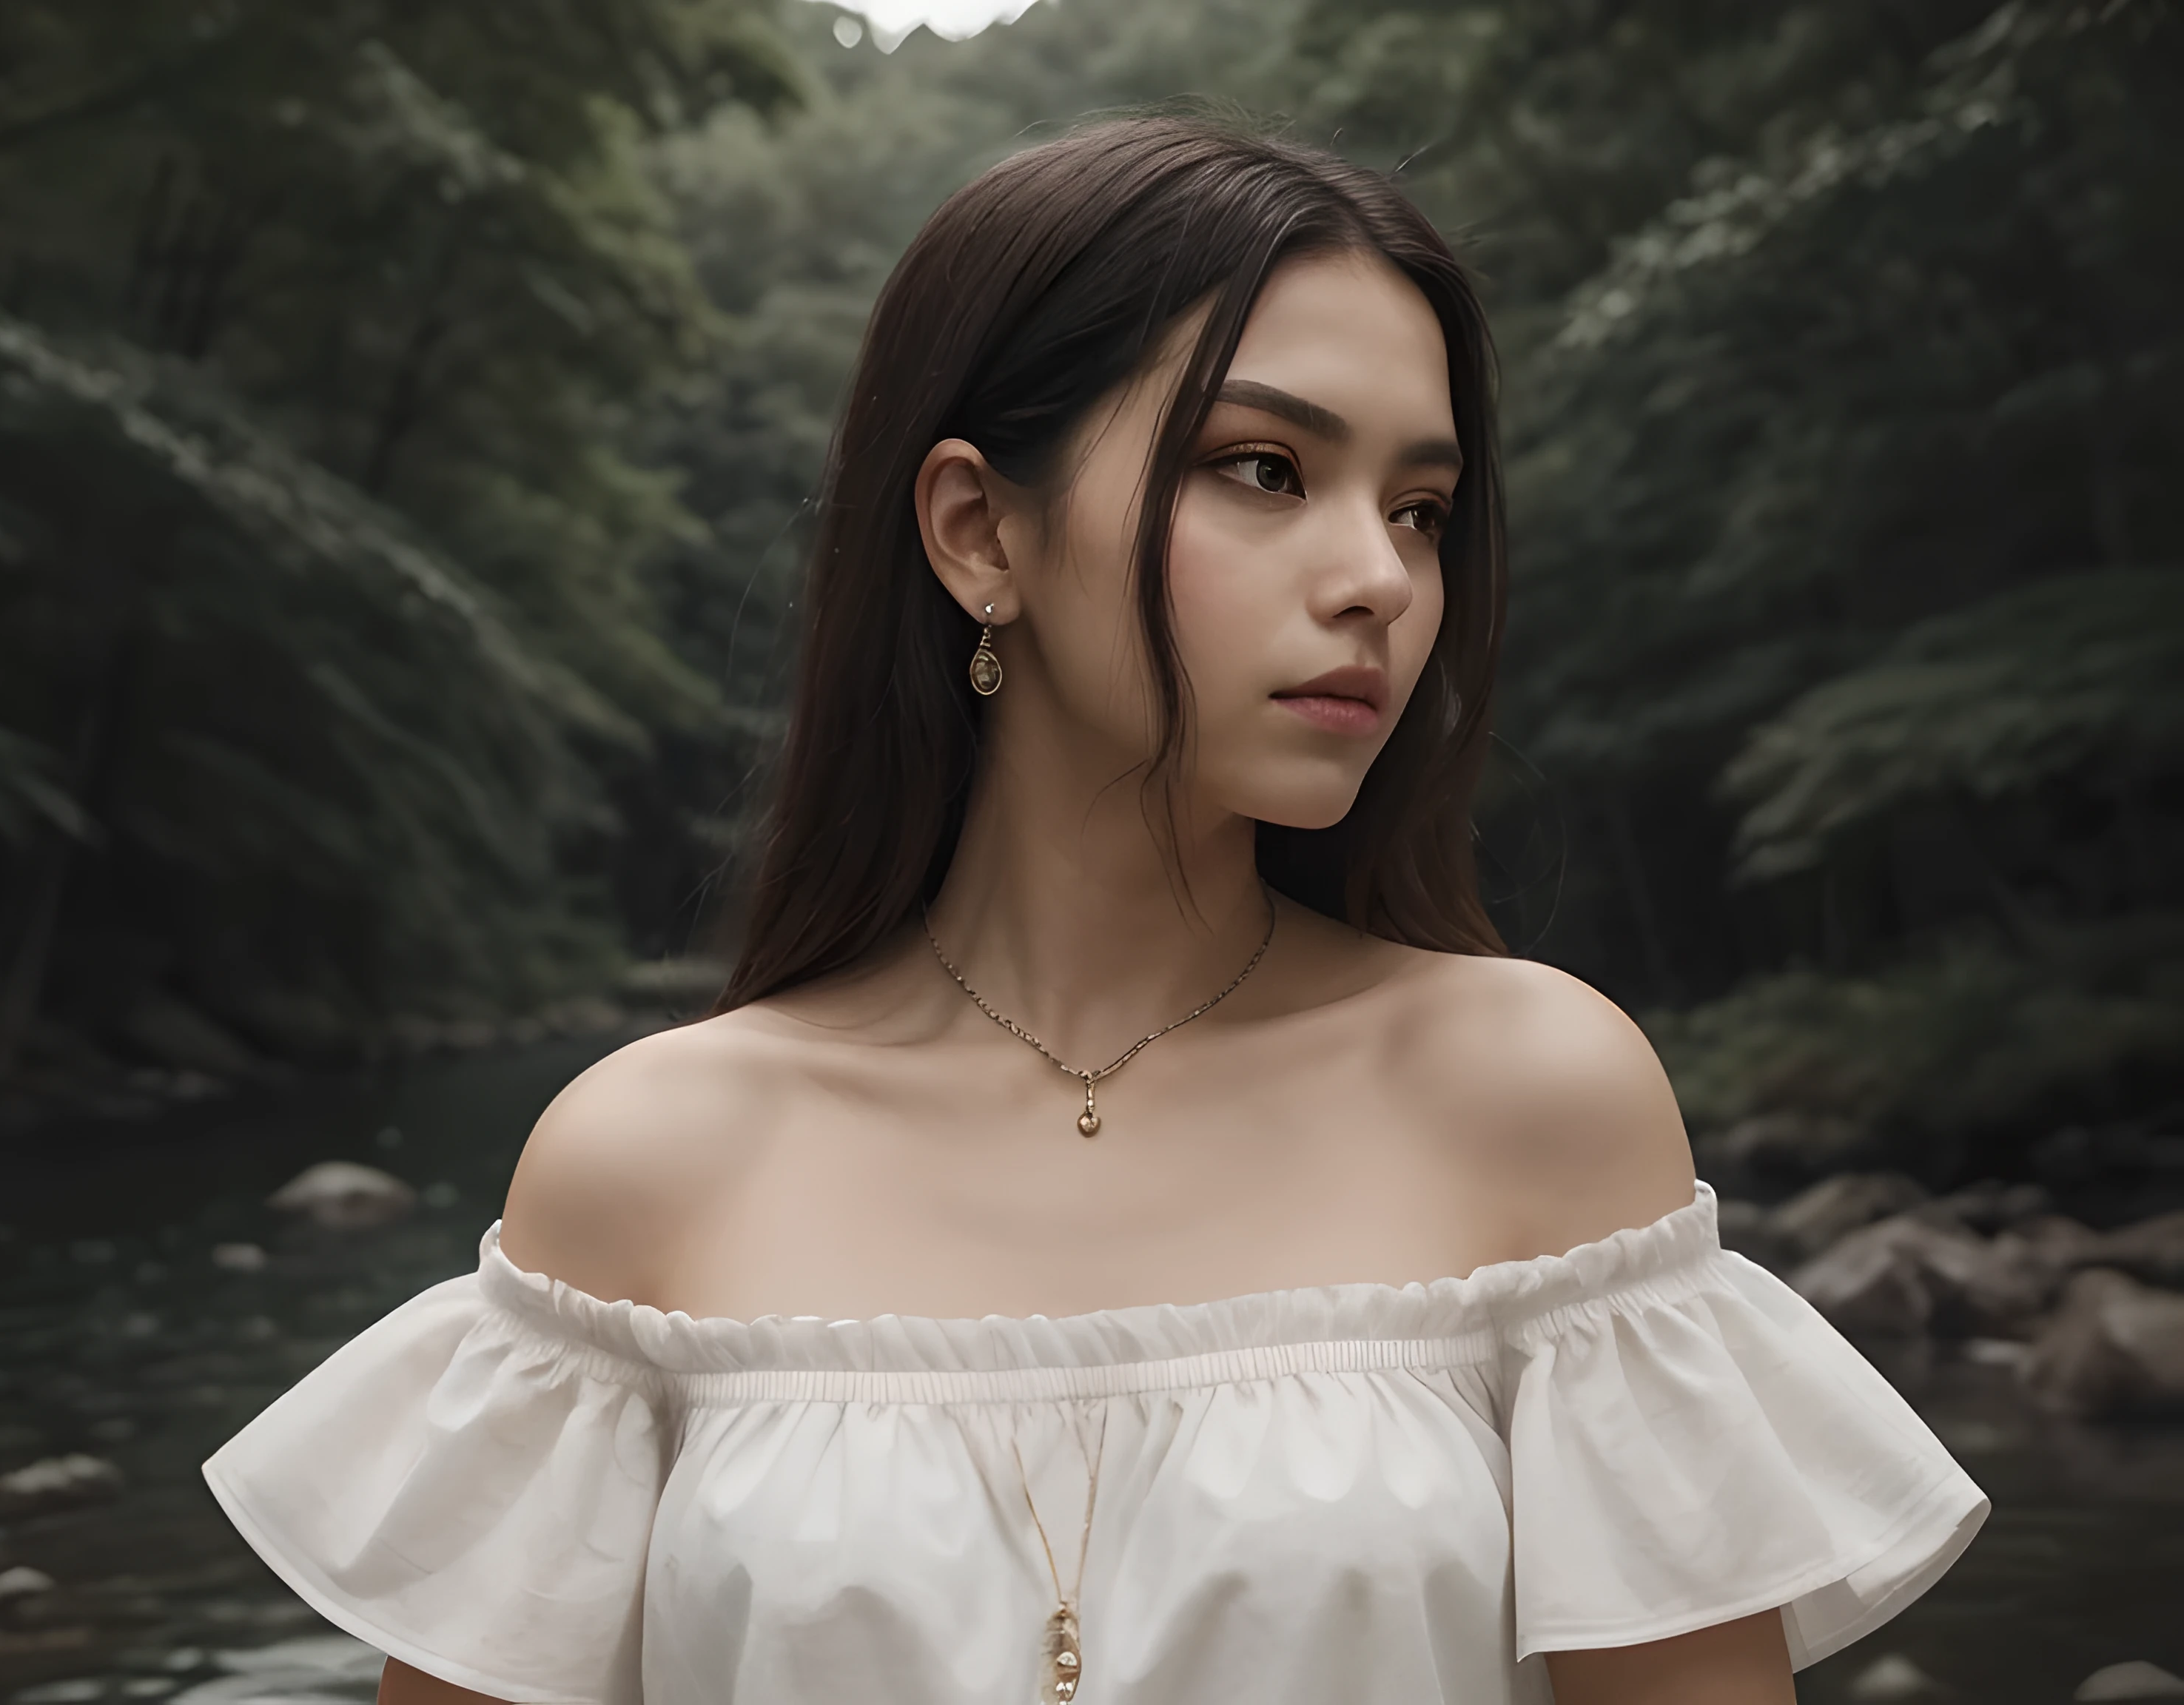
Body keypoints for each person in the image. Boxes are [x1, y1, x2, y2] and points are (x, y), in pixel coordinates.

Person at [204, 116, 1985, 1705]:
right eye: (1263, 470)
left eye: (1423, 507)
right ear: (979, 530)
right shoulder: (649, 1161)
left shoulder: (1530, 1095)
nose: (1378, 578)